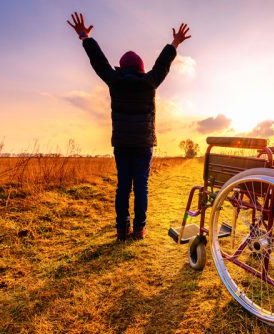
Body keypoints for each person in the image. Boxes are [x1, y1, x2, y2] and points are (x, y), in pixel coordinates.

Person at [67, 12, 191, 241]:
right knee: (141, 186)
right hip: (143, 143)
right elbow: (163, 64)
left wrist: (85, 37)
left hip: (122, 143)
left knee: (123, 186)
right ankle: (139, 228)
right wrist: (175, 42)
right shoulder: (150, 81)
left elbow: (99, 61)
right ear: (141, 68)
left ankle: (122, 229)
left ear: (122, 67)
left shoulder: (115, 80)